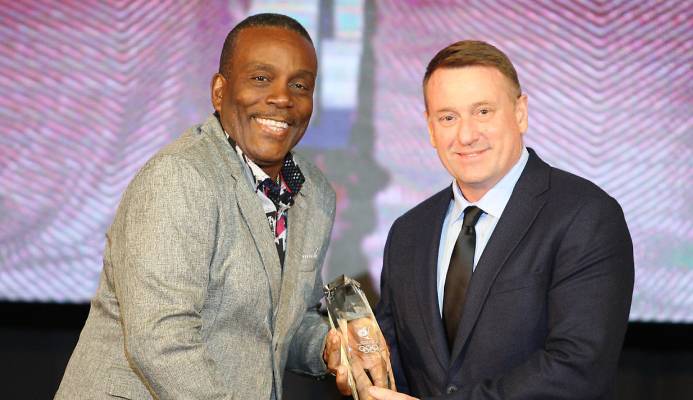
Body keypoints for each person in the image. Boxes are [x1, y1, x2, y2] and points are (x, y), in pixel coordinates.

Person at [55, 13, 344, 400]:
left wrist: (331, 348)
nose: (281, 98)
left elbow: (279, 325)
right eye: (261, 78)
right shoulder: (179, 176)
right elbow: (160, 340)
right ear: (220, 91)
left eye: (300, 84)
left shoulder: (314, 192)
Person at [368, 40, 634, 399]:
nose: (466, 135)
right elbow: (392, 362)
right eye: (448, 117)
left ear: (520, 112)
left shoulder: (585, 216)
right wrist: (359, 369)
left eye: (482, 112)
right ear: (430, 129)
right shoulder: (408, 233)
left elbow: (577, 369)